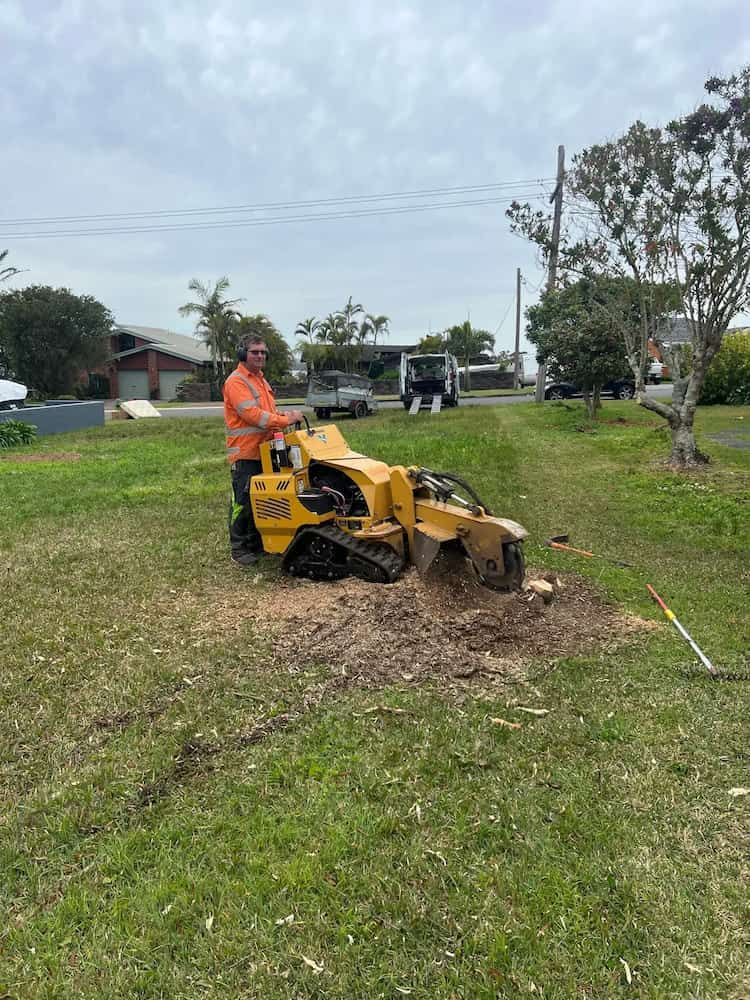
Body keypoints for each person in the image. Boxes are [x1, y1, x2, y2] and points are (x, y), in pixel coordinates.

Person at [223, 334, 303, 566]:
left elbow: (270, 413)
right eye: (254, 351)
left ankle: (256, 542)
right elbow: (253, 416)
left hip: (268, 450)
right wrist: (286, 419)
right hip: (245, 453)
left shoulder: (261, 381)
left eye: (262, 352)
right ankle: (238, 548)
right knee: (242, 500)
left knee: (262, 498)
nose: (260, 356)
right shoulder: (236, 381)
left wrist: (283, 421)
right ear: (242, 354)